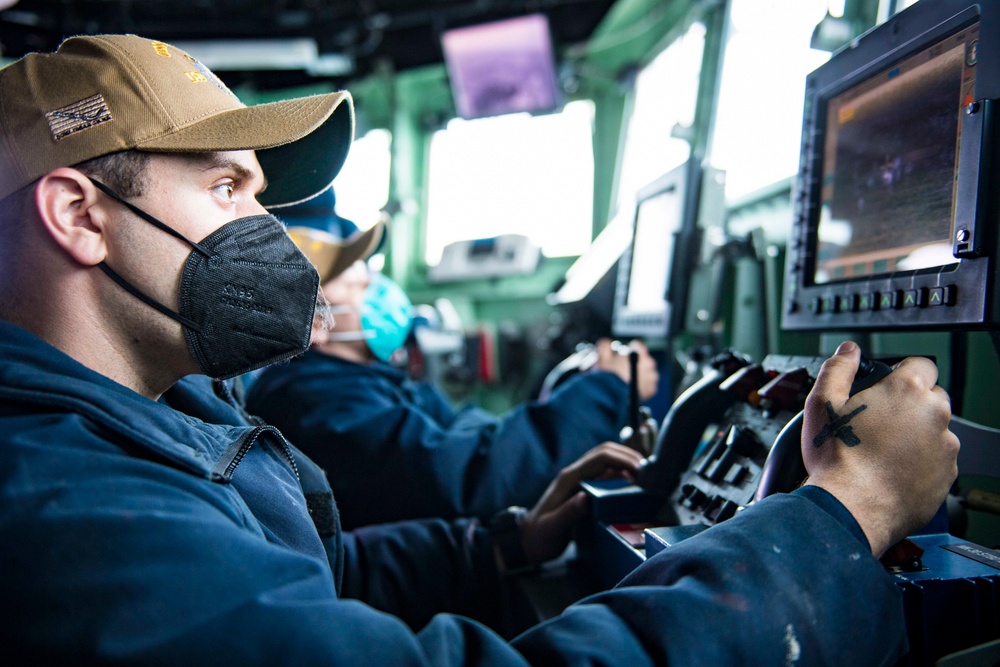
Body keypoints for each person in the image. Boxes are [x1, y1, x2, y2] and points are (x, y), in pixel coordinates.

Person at [0, 34, 959, 666]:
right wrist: (843, 517)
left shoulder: (163, 413)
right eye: (226, 192)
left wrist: (504, 541)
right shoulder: (68, 509)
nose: (269, 232)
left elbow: (318, 578)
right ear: (80, 214)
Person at [246, 222, 660, 528]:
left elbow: (466, 434)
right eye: (353, 287)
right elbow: (466, 477)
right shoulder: (316, 403)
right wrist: (608, 388)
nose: (377, 289)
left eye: (369, 275)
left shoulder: (362, 377)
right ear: (309, 323)